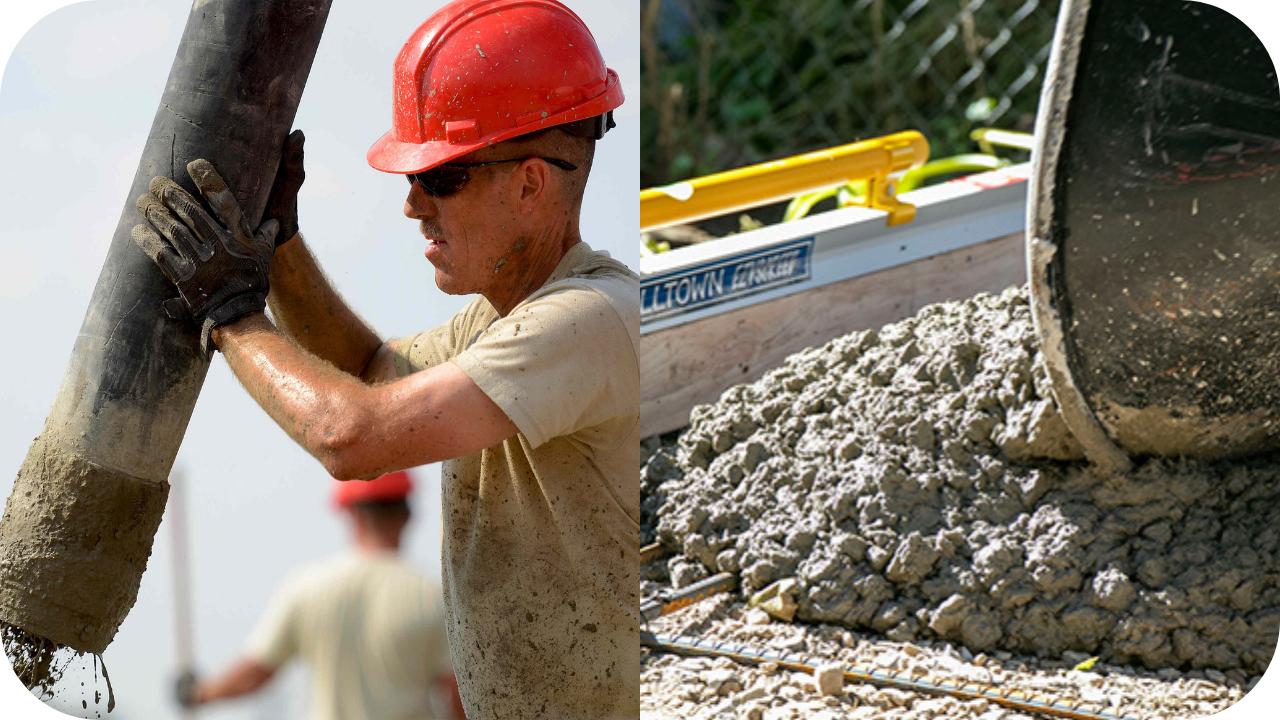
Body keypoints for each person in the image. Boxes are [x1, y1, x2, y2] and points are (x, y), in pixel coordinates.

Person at [130, 1, 639, 718]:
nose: (411, 206)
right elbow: (368, 369)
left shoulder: (589, 319)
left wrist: (229, 312)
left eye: (441, 179)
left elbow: (353, 434)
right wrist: (278, 246)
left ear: (530, 183)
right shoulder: (499, 324)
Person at [185, 471, 462, 720]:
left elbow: (255, 673)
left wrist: (199, 694)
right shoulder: (434, 598)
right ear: (407, 516)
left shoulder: (307, 587)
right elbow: (459, 694)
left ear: (351, 513)